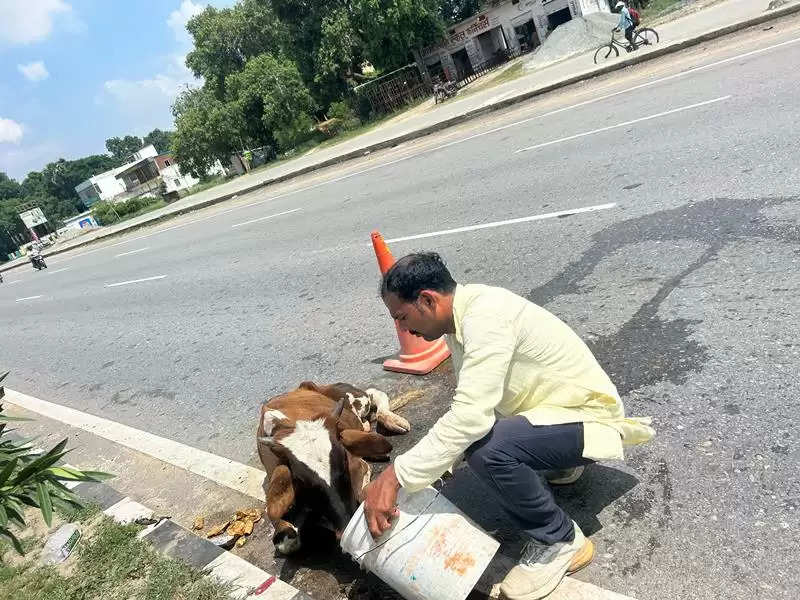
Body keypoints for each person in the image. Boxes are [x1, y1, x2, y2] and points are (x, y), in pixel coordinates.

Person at [364, 253, 654, 600]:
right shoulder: (463, 318)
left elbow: (471, 417)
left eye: (402, 316)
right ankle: (559, 464)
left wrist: (395, 475)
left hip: (592, 421)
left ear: (427, 299)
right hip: (565, 415)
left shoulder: (485, 317)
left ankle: (559, 539)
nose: (404, 329)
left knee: (485, 448)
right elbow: (481, 400)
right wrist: (437, 462)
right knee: (479, 439)